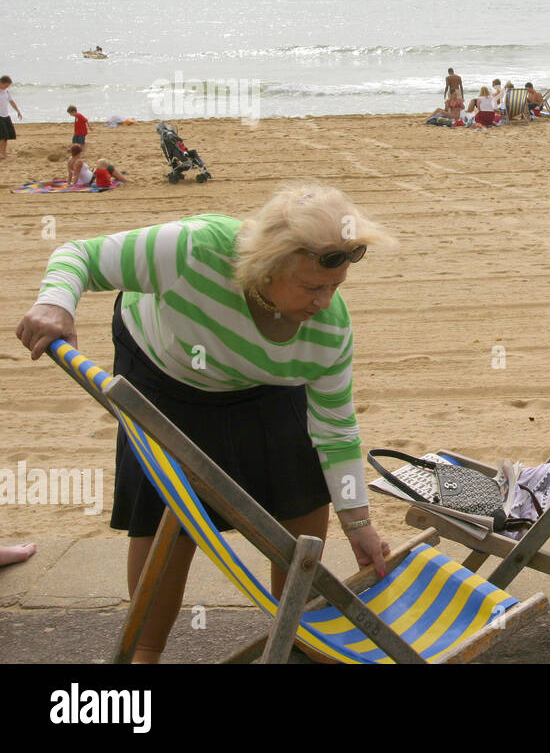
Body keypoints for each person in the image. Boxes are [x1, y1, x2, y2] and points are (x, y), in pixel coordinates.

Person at [14, 185, 396, 662]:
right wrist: (55, 303)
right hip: (164, 370)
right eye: (313, 287)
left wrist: (358, 522)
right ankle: (145, 655)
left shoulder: (327, 331)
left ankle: (293, 637)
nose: (325, 301)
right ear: (268, 266)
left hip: (263, 379)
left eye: (335, 286)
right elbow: (80, 255)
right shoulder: (193, 249)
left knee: (301, 492)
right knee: (168, 518)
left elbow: (335, 432)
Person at [0, 75, 21, 159]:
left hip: (6, 115)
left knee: (7, 136)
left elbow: (11, 101)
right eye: (6, 85)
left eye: (8, 86)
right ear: (1, 83)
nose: (7, 87)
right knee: (2, 135)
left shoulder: (6, 91)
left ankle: (4, 152)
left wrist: (18, 111)